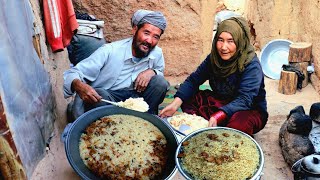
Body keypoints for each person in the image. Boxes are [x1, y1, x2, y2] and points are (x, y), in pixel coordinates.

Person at [160, 17, 268, 136]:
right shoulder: (214, 58)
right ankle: (204, 124)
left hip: (247, 109)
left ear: (240, 41)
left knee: (238, 125)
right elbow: (193, 80)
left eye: (230, 41)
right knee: (187, 96)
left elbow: (245, 99)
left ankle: (220, 126)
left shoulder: (251, 65)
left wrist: (219, 115)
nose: (223, 47)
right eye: (220, 40)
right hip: (222, 102)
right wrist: (175, 104)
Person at [63, 9, 170, 121]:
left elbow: (159, 71)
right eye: (146, 33)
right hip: (108, 99)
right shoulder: (110, 51)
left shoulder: (156, 53)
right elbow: (72, 73)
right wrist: (79, 85)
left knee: (160, 83)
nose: (149, 40)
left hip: (137, 99)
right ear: (135, 29)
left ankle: (147, 120)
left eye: (155, 37)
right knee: (100, 95)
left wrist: (152, 72)